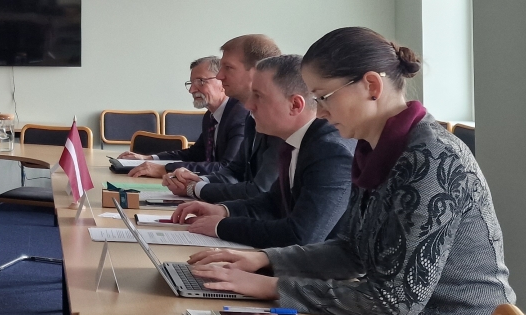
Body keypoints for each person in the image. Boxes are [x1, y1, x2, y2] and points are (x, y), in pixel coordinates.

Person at [188, 27, 515, 315]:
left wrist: (271, 286)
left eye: (323, 97)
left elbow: (393, 300)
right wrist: (265, 260)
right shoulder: (373, 147)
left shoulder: (430, 157)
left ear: (371, 86)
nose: (319, 111)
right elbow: (352, 251)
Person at [168, 54, 353, 248]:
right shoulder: (296, 140)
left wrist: (221, 226)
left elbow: (300, 236)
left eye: (258, 96)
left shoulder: (331, 151)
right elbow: (272, 202)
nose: (249, 105)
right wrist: (223, 210)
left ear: (295, 105)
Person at [139, 35, 283, 206]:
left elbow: (258, 190)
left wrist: (194, 188)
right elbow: (233, 171)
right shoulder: (248, 117)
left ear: (258, 71)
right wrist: (199, 181)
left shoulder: (259, 119)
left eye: (228, 68)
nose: (220, 76)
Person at [118, 56, 248, 175]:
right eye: (191, 83)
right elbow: (194, 155)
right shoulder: (210, 117)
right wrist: (149, 158)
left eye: (201, 81)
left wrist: (164, 169)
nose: (192, 90)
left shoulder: (239, 116)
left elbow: (226, 168)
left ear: (222, 82)